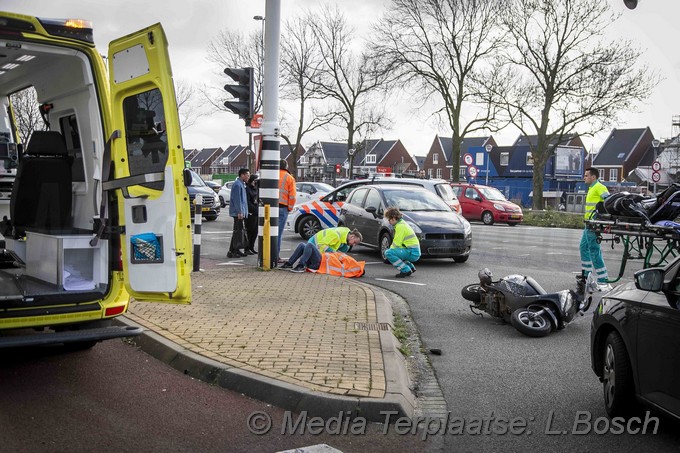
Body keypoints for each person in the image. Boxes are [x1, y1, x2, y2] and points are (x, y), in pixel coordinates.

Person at [581, 168, 611, 292]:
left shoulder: (599, 187)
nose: (584, 177)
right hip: (588, 224)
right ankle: (586, 276)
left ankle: (603, 281)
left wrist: (601, 219)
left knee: (594, 250)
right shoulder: (592, 188)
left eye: (586, 175)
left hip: (594, 224)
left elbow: (609, 202)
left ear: (593, 177)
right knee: (583, 247)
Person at [281, 227, 362, 273]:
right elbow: (321, 246)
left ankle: (298, 265)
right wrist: (334, 252)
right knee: (304, 245)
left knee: (306, 245)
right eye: (354, 242)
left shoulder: (344, 236)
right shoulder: (336, 236)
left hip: (320, 259)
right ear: (351, 237)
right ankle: (294, 264)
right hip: (319, 262)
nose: (353, 245)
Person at [384, 206, 421, 278]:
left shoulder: (400, 226)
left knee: (388, 253)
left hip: (412, 253)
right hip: (414, 252)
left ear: (393, 218)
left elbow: (396, 244)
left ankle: (405, 269)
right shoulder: (402, 223)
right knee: (395, 252)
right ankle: (410, 267)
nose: (389, 221)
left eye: (389, 219)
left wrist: (389, 253)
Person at [227, 168, 250, 258]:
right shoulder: (237, 185)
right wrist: (240, 212)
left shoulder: (241, 184)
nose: (248, 177)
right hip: (238, 213)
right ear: (242, 175)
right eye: (247, 175)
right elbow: (237, 200)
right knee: (237, 232)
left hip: (240, 212)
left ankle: (235, 250)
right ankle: (232, 251)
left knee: (238, 232)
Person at [278, 159, 296, 263]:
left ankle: (267, 253)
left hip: (270, 208)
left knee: (268, 232)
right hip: (282, 208)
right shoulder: (289, 178)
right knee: (278, 233)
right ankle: (275, 256)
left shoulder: (272, 175)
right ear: (286, 166)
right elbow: (292, 196)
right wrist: (289, 207)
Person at [245, 173, 259, 255]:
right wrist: (254, 209)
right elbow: (247, 202)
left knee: (255, 231)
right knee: (250, 231)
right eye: (255, 181)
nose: (255, 183)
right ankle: (247, 248)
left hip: (257, 213)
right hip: (251, 213)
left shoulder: (256, 189)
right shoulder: (248, 189)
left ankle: (251, 247)